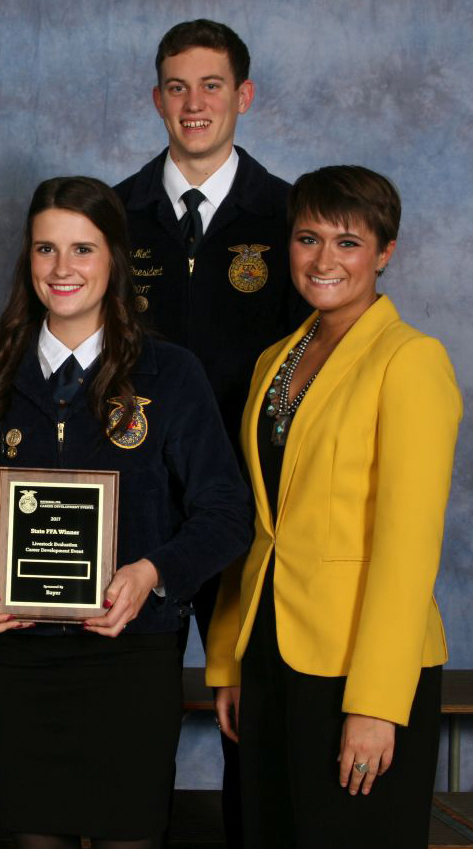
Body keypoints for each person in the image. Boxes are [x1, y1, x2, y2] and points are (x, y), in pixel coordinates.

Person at [0, 176, 252, 849]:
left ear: (113, 257)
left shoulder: (169, 374)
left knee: (127, 839)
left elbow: (226, 512)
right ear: (27, 258)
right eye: (45, 249)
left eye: (82, 249)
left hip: (129, 659)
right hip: (16, 660)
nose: (62, 268)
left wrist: (151, 573)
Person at [205, 165, 462, 849]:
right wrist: (229, 658)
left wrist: (377, 703)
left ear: (384, 253)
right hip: (268, 650)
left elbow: (407, 547)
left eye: (348, 243)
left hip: (359, 663)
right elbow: (264, 524)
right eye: (307, 238)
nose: (323, 260)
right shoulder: (273, 362)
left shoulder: (409, 360)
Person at [112, 22, 308, 842]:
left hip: (253, 509)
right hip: (139, 503)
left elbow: (315, 361)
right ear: (156, 98)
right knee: (132, 712)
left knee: (250, 713)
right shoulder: (115, 213)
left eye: (212, 86)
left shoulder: (291, 215)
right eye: (177, 87)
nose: (194, 105)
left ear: (244, 96)